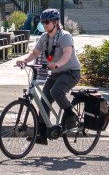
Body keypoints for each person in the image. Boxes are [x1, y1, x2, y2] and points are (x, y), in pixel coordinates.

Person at [16, 8, 82, 144]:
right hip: (56, 73)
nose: (44, 25)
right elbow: (35, 53)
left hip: (71, 72)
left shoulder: (65, 36)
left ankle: (71, 115)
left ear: (55, 23)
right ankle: (42, 135)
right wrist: (24, 61)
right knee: (43, 100)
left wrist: (57, 64)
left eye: (47, 22)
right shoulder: (44, 38)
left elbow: (67, 54)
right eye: (43, 22)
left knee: (56, 91)